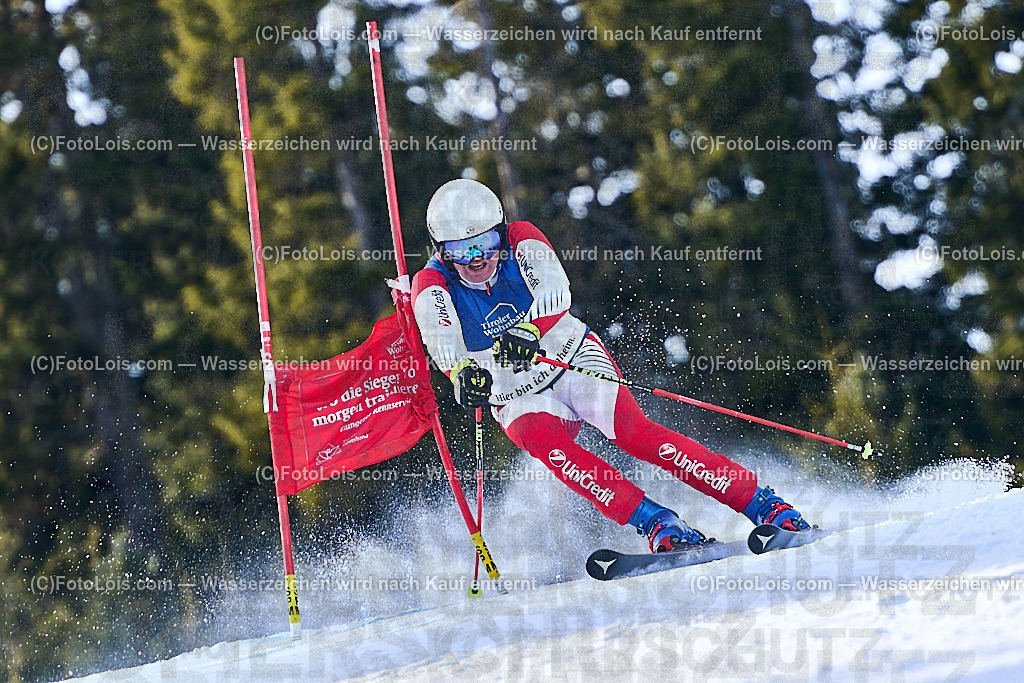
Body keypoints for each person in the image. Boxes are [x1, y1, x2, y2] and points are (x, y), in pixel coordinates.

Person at [411, 179, 811, 553]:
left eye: (485, 243)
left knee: (635, 434)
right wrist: (462, 373)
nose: (477, 259)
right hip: (515, 392)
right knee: (549, 445)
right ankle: (659, 524)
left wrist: (530, 330)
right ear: (442, 251)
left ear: (500, 231)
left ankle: (762, 504)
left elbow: (555, 289)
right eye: (461, 250)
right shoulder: (431, 283)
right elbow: (441, 340)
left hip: (570, 359)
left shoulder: (521, 238)